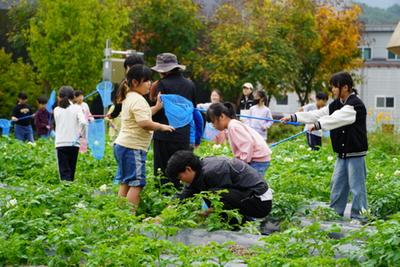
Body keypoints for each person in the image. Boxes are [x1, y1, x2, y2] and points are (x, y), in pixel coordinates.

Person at [281, 71, 368, 222]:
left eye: (335, 87)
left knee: (357, 188)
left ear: (345, 87)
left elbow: (336, 119)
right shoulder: (336, 104)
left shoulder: (355, 105)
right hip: (341, 154)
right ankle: (334, 215)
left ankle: (360, 218)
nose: (332, 90)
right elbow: (317, 114)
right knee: (337, 186)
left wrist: (318, 125)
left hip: (355, 154)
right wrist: (294, 117)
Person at [113, 64, 174, 210]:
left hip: (123, 146)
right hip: (132, 148)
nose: (150, 84)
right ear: (135, 82)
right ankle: (129, 217)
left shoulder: (130, 97)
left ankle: (118, 217)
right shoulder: (138, 99)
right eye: (146, 81)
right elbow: (143, 122)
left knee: (126, 182)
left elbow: (142, 114)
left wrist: (157, 108)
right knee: (137, 184)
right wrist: (161, 126)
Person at [166, 150, 272, 220]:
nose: (181, 181)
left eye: (180, 177)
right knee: (209, 196)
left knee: (213, 196)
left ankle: (238, 227)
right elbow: (185, 195)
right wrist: (165, 213)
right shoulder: (199, 171)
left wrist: (202, 214)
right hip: (246, 196)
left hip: (260, 202)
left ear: (188, 169)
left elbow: (220, 201)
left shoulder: (214, 171)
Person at [151, 53, 196, 187]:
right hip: (183, 136)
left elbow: (155, 110)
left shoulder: (161, 85)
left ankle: (164, 200)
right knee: (182, 171)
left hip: (164, 135)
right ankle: (183, 200)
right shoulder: (190, 85)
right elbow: (191, 109)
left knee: (163, 172)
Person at [206, 102, 272, 176]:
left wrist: (241, 165)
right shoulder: (232, 125)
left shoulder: (233, 127)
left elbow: (248, 143)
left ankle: (265, 188)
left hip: (257, 160)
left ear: (222, 116)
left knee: (252, 184)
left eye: (213, 122)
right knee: (251, 183)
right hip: (257, 158)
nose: (213, 125)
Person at [54, 86, 87, 181]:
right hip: (74, 143)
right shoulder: (77, 108)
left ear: (59, 97)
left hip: (61, 144)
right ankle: (71, 192)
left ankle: (66, 192)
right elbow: (84, 122)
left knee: (64, 173)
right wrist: (81, 134)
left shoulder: (56, 110)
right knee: (71, 172)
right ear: (73, 97)